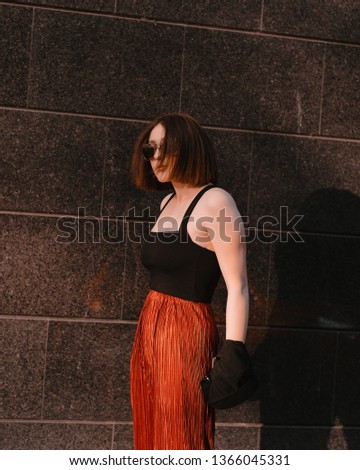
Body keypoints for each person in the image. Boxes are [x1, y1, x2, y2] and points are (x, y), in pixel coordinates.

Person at [130, 113, 249, 450]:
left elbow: (237, 286)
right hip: (149, 326)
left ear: (187, 148)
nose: (154, 157)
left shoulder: (216, 202)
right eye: (148, 149)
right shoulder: (167, 202)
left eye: (162, 148)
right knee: (150, 424)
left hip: (185, 330)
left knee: (180, 432)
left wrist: (233, 352)